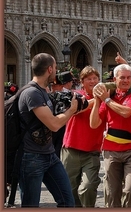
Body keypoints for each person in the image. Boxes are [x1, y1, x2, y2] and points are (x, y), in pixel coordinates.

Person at [18, 53, 79, 207]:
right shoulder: (31, 93)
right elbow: (54, 124)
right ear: (50, 69)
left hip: (49, 154)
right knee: (30, 205)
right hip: (31, 157)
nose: (57, 72)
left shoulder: (42, 91)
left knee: (67, 202)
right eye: (56, 68)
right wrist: (71, 111)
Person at [90, 64, 131, 208]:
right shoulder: (109, 96)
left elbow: (126, 113)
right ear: (114, 79)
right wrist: (97, 100)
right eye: (122, 78)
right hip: (111, 150)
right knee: (112, 192)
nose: (126, 80)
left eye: (128, 77)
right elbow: (94, 124)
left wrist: (107, 100)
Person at [61, 66, 105, 207]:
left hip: (92, 151)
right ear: (82, 81)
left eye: (95, 78)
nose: (92, 81)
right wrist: (95, 100)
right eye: (89, 79)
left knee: (87, 187)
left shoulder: (105, 100)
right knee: (70, 189)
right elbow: (76, 110)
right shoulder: (75, 94)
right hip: (71, 149)